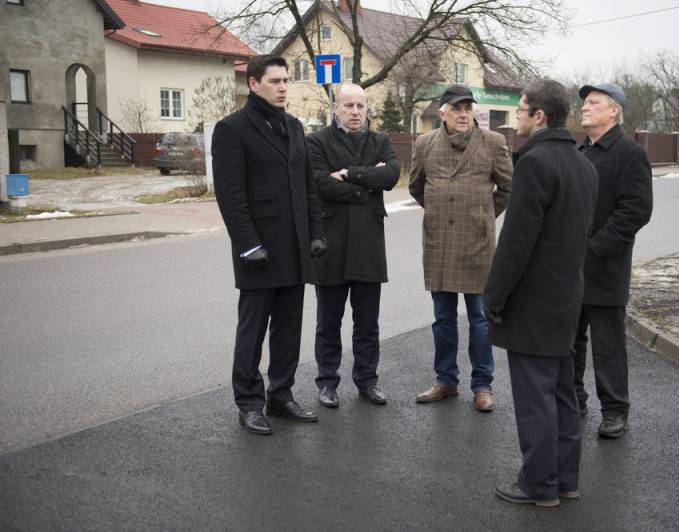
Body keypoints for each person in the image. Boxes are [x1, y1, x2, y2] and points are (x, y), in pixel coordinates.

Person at [483, 79, 598, 506]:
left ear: (540, 116)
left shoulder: (534, 163)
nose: (517, 117)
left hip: (532, 303)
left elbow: (516, 243)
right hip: (567, 298)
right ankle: (565, 480)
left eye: (521, 110)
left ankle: (539, 485)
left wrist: (493, 298)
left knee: (535, 399)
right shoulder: (583, 164)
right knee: (563, 394)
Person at [212, 55, 327, 435]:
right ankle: (248, 402)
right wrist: (247, 245)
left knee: (288, 329)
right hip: (258, 250)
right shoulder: (232, 129)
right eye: (275, 81)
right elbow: (230, 195)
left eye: (285, 81)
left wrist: (316, 232)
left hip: (294, 247)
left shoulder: (293, 126)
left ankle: (281, 394)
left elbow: (307, 186)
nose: (283, 88)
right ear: (253, 83)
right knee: (253, 330)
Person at [409, 85, 513, 412]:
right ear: (442, 113)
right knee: (443, 319)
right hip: (439, 243)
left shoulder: (493, 142)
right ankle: (445, 380)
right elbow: (415, 186)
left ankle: (482, 385)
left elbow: (508, 187)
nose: (463, 114)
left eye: (468, 108)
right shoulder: (425, 144)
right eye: (456, 108)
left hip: (477, 243)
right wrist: (440, 213)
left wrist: (483, 216)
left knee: (480, 319)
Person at [307, 83, 400, 408]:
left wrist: (347, 174)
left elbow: (391, 176)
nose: (356, 112)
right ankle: (327, 382)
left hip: (368, 244)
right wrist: (367, 185)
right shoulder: (317, 141)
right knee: (328, 324)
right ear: (336, 108)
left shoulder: (380, 141)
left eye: (361, 105)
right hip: (330, 243)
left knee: (367, 324)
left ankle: (367, 381)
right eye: (348, 105)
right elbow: (319, 183)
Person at [572, 82, 653, 438]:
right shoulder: (579, 152)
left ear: (614, 110)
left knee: (608, 347)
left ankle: (615, 411)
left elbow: (636, 209)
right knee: (569, 341)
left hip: (605, 268)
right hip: (569, 269)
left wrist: (595, 248)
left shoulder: (629, 153)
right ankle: (574, 399)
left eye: (594, 102)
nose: (585, 107)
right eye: (585, 103)